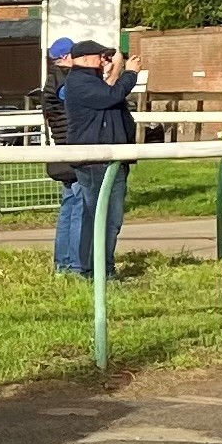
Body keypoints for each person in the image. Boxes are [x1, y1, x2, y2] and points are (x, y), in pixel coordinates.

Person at [64, 40, 142, 279]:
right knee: (107, 218)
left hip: (105, 158)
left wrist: (114, 71)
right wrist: (129, 73)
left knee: (97, 217)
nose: (105, 61)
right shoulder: (79, 82)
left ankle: (94, 269)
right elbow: (111, 96)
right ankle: (100, 271)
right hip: (97, 161)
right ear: (86, 59)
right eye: (101, 57)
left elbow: (107, 94)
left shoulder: (89, 81)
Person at [42, 37, 82, 274]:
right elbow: (80, 101)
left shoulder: (52, 80)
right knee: (78, 207)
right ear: (67, 57)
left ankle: (63, 263)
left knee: (69, 205)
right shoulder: (65, 82)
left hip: (63, 147)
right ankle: (75, 264)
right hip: (74, 148)